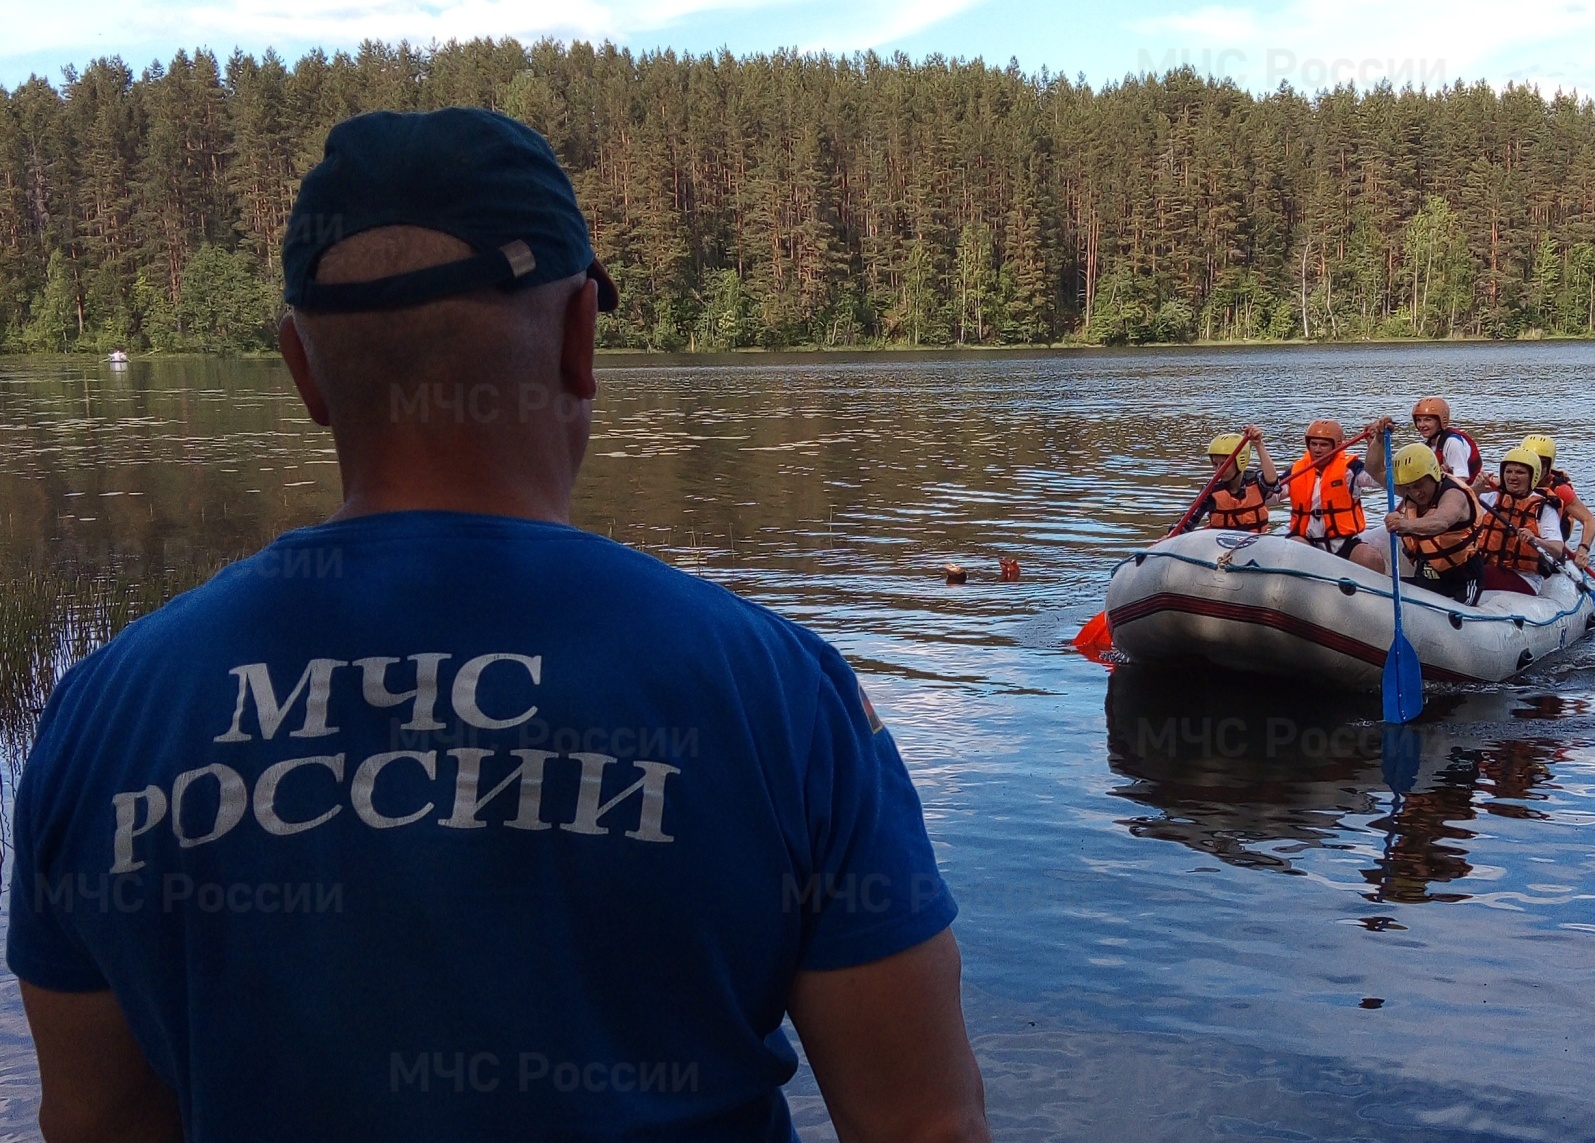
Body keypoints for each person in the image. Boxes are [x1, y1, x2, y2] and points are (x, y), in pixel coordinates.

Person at [8, 108, 988, 1143]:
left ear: (302, 372)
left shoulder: (104, 713)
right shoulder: (777, 691)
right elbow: (919, 1123)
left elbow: (98, 1122)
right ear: (580, 337)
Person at [1354, 443, 1484, 603]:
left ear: (1434, 475)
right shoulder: (1408, 490)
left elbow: (1441, 522)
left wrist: (1405, 524)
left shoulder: (1454, 494)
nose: (1415, 492)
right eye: (1408, 488)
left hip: (1462, 580)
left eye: (1419, 485)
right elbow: (1374, 469)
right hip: (1428, 574)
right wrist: (1379, 438)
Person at [1475, 446, 1568, 595]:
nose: (1512, 477)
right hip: (1488, 566)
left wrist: (1535, 539)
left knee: (1475, 575)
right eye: (1508, 471)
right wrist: (1474, 490)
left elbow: (1557, 550)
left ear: (1533, 476)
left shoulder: (1543, 508)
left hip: (1524, 578)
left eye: (1520, 472)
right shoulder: (1491, 498)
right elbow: (1460, 516)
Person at [1283, 418, 1380, 557]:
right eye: (1313, 444)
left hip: (1343, 542)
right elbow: (1272, 496)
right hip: (1307, 542)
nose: (1317, 450)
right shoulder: (1296, 471)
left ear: (1337, 445)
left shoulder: (1350, 469)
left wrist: (1375, 446)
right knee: (1293, 546)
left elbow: (1377, 479)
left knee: (1370, 557)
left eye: (1323, 445)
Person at [1521, 433, 1595, 567]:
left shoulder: (1559, 490)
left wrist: (1583, 549)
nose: (1535, 470)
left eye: (1541, 464)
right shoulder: (1510, 481)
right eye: (1530, 463)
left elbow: (1589, 520)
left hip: (1548, 547)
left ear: (1549, 466)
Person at [1194, 424, 1281, 532]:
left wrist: (1259, 444)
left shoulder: (1256, 481)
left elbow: (1272, 481)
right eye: (1215, 464)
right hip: (1222, 546)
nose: (1219, 470)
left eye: (1224, 464)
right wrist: (1171, 536)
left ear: (1240, 462)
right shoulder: (1211, 490)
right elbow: (1189, 520)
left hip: (1256, 544)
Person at [1411, 396, 1482, 483]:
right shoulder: (1428, 446)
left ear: (1441, 421)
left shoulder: (1453, 443)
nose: (1421, 425)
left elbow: (1461, 481)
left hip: (1469, 491)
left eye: (1427, 420)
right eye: (1418, 420)